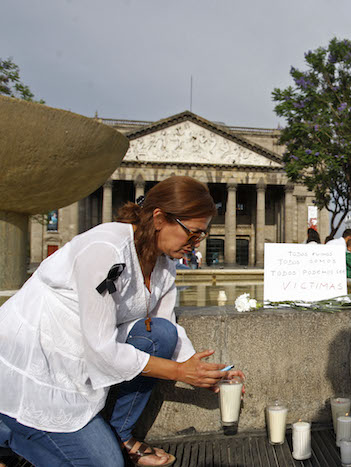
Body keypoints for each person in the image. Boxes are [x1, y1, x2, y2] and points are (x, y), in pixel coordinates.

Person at [0, 176, 245, 467]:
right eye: (192, 233)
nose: (194, 244)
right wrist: (180, 372)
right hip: (38, 364)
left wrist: (204, 372)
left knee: (161, 335)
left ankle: (117, 433)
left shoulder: (164, 263)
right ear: (159, 218)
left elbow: (165, 326)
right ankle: (7, 429)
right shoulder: (106, 250)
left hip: (79, 356)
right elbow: (102, 349)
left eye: (201, 236)